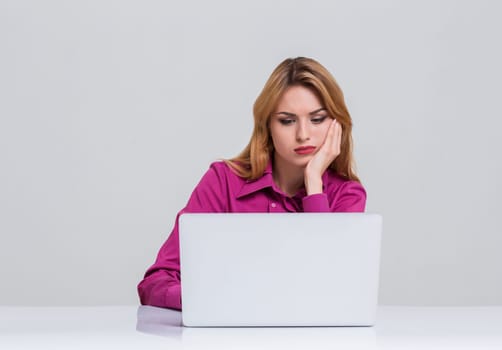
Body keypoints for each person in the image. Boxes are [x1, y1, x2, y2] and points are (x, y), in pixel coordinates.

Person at [137, 57, 367, 310]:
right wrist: (214, 300)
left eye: (317, 119)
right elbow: (155, 283)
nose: (303, 134)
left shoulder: (346, 194)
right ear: (267, 125)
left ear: (337, 125)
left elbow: (331, 287)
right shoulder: (223, 181)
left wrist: (314, 183)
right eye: (287, 121)